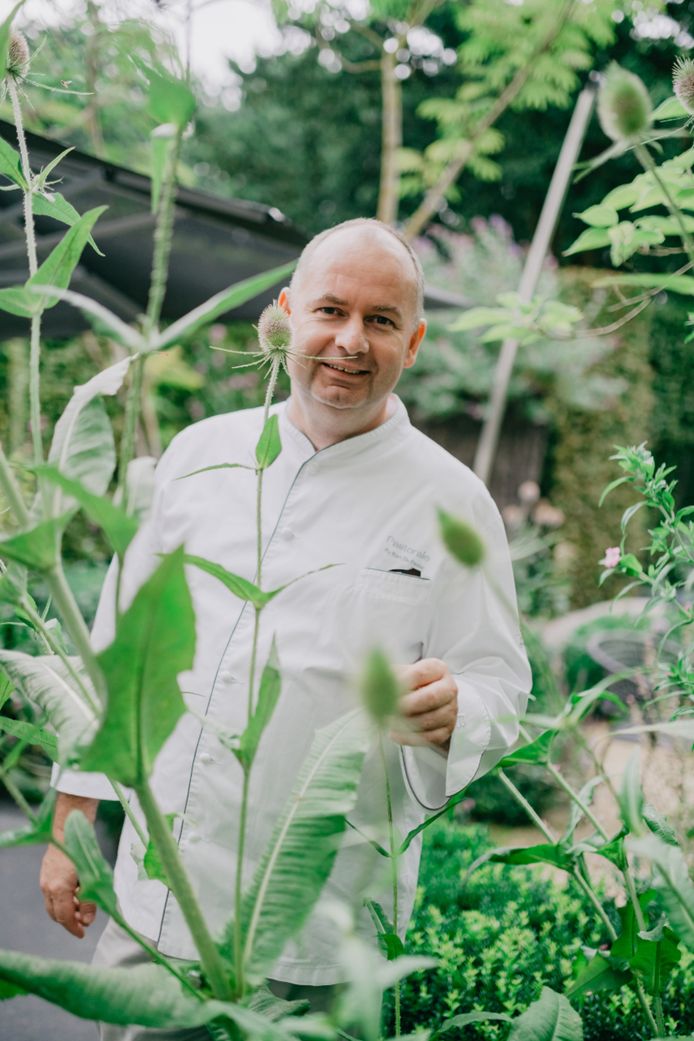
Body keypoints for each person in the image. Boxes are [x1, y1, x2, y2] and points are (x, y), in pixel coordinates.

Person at [40, 218, 531, 1034]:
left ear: (412, 343)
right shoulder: (198, 457)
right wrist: (70, 825)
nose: (349, 340)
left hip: (324, 928)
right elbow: (115, 648)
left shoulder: (454, 501)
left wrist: (460, 711)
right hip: (163, 902)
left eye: (380, 321)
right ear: (287, 315)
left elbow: (500, 684)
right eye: (330, 310)